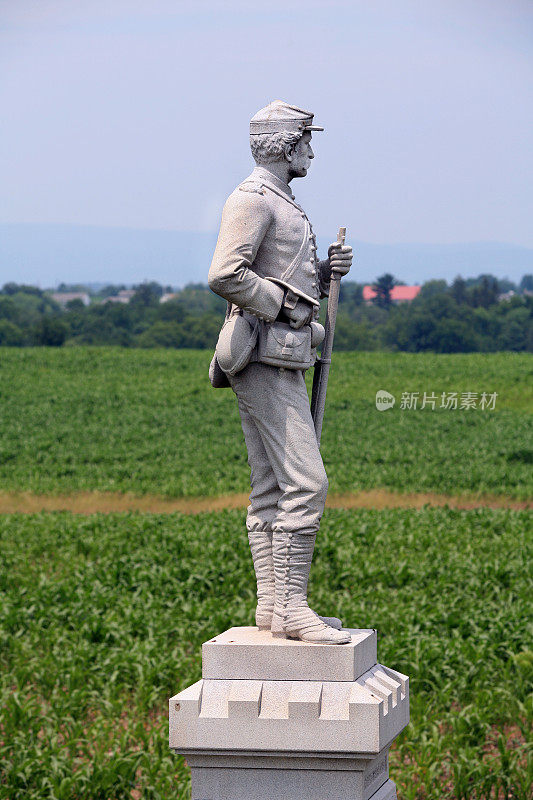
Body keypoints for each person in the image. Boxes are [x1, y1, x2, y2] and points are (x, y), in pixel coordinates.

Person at [208, 101, 353, 644]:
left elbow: (278, 270)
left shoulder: (278, 199)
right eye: (305, 142)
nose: (311, 151)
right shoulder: (251, 200)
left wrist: (320, 273)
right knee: (305, 483)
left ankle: (272, 610)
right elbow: (226, 273)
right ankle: (292, 609)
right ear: (284, 144)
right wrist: (286, 305)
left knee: (270, 485)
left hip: (283, 353)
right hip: (264, 352)